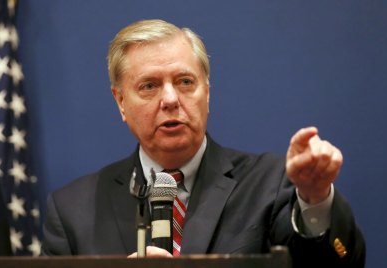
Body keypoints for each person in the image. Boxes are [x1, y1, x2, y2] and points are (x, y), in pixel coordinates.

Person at [42, 19, 365, 267]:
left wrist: (315, 198)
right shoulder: (72, 211)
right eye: (150, 86)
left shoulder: (273, 183)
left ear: (206, 93)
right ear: (121, 102)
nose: (170, 99)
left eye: (185, 82)